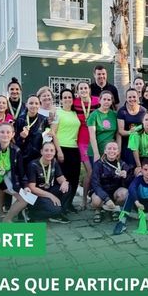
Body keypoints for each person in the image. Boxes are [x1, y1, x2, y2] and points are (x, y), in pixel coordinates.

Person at [26, 141, 71, 223]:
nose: (49, 153)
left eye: (51, 150)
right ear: (41, 152)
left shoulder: (54, 161)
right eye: (46, 150)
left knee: (67, 187)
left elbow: (60, 177)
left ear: (54, 152)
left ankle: (56, 213)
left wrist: (64, 182)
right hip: (35, 195)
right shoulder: (33, 165)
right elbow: (32, 188)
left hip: (47, 190)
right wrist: (51, 196)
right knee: (56, 210)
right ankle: (31, 214)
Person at [52, 88, 81, 213]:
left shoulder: (75, 113)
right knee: (63, 179)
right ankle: (61, 206)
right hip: (62, 148)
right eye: (65, 97)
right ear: (61, 99)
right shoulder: (57, 113)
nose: (68, 99)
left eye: (70, 97)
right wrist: (59, 151)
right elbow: (53, 132)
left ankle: (69, 203)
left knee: (74, 179)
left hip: (74, 149)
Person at [91, 141, 133, 223]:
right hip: (101, 191)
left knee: (125, 193)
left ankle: (114, 209)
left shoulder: (122, 164)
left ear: (118, 152)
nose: (112, 151)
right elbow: (95, 184)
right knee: (96, 200)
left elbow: (130, 182)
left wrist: (126, 176)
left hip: (115, 192)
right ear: (105, 151)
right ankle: (98, 210)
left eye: (114, 149)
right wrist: (106, 199)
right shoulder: (98, 164)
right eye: (109, 148)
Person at [74, 81, 100, 209]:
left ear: (89, 89)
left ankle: (95, 196)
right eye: (81, 88)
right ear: (78, 91)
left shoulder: (97, 100)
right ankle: (84, 200)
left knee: (97, 171)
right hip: (82, 141)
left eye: (85, 88)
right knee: (89, 171)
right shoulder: (75, 103)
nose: (83, 90)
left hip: (95, 140)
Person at [14, 94, 51, 170]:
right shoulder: (20, 120)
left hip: (38, 157)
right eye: (31, 103)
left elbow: (48, 139)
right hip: (22, 157)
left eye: (36, 103)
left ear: (39, 105)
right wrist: (21, 137)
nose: (34, 105)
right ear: (26, 105)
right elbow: (14, 142)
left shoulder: (44, 120)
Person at [87, 90, 119, 163]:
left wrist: (117, 150)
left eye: (109, 100)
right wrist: (96, 153)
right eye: (104, 99)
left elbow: (117, 134)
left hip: (110, 152)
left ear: (111, 102)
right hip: (96, 150)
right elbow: (92, 137)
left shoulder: (115, 115)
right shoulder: (94, 115)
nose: (106, 102)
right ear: (99, 100)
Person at [117, 88, 146, 165]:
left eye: (134, 97)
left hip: (141, 143)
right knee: (129, 167)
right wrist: (132, 132)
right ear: (126, 98)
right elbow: (121, 131)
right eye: (129, 97)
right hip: (127, 144)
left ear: (138, 97)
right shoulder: (122, 112)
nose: (132, 99)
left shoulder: (143, 111)